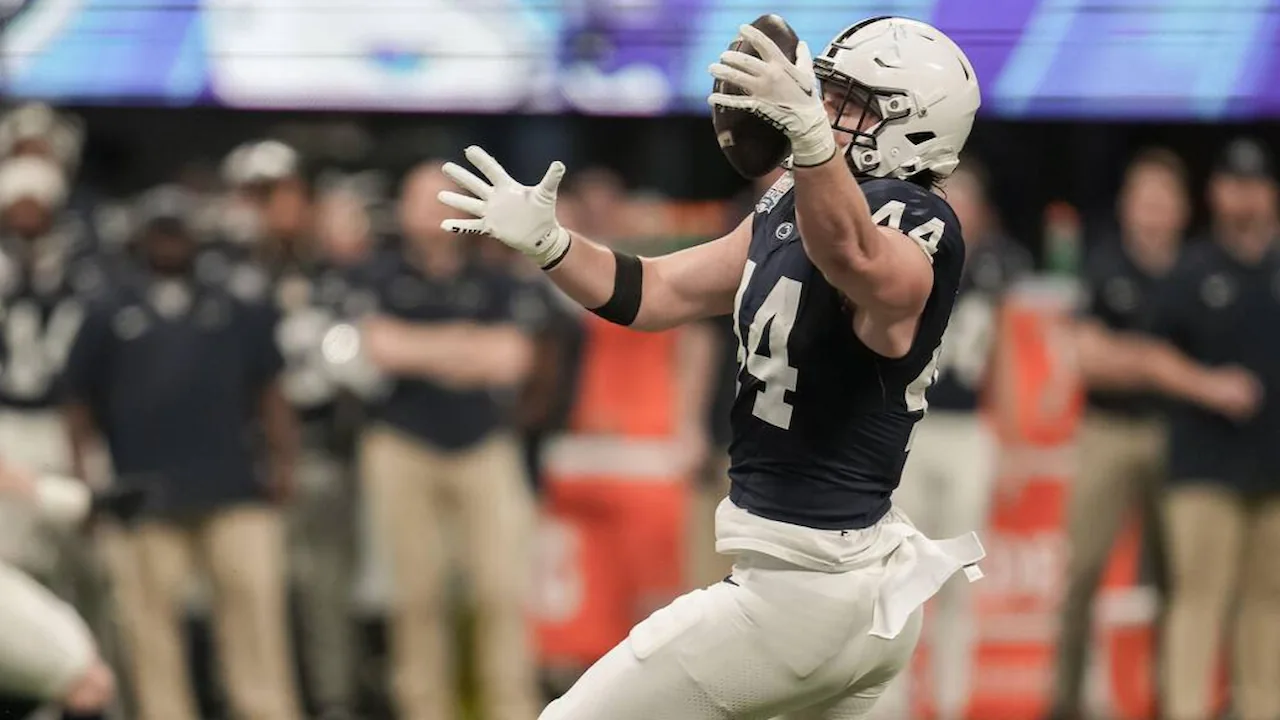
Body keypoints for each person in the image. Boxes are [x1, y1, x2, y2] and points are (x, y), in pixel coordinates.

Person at [440, 16, 988, 719]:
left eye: (851, 104)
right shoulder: (792, 204)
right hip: (834, 590)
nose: (823, 112)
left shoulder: (921, 220)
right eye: (828, 96)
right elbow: (657, 292)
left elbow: (858, 259)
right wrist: (551, 244)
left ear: (915, 127)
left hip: (804, 590)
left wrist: (816, 148)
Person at [62, 186, 303, 720]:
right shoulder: (109, 307)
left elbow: (271, 389)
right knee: (150, 635)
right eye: (159, 231)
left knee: (257, 627)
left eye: (178, 230)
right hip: (145, 490)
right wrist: (88, 481)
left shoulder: (237, 302)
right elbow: (78, 401)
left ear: (197, 237)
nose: (169, 242)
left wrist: (284, 464)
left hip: (236, 484)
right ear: (141, 238)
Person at [1047, 147, 1261, 720]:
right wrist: (1164, 365)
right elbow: (1088, 359)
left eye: (1164, 200)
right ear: (1126, 205)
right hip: (1110, 429)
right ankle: (1064, 702)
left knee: (1183, 581)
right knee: (1082, 572)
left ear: (1182, 208)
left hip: (1178, 435)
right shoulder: (1105, 263)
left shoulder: (1197, 267)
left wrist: (1141, 359)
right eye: (1144, 199)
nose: (1153, 211)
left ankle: (1174, 703)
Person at [357, 161, 542, 720]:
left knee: (500, 591)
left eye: (443, 197)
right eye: (420, 199)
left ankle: (512, 709)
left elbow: (512, 359)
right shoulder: (376, 275)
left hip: (483, 444)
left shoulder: (495, 277)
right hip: (402, 445)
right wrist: (463, 346)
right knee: (416, 596)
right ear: (402, 210)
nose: (433, 208)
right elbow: (378, 348)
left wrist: (421, 349)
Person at [883, 158, 1031, 720]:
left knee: (958, 575)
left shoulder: (993, 265)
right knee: (898, 571)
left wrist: (1011, 440)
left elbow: (1004, 357)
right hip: (908, 428)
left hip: (967, 430)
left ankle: (950, 700)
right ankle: (891, 700)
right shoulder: (905, 251)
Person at [1150, 137, 1280, 720]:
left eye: (1254, 184)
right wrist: (1206, 384)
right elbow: (1147, 354)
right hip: (1203, 466)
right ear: (1215, 193)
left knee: (1269, 606)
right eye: (1233, 184)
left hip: (1273, 466)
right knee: (1198, 600)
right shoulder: (1192, 268)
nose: (1244, 197)